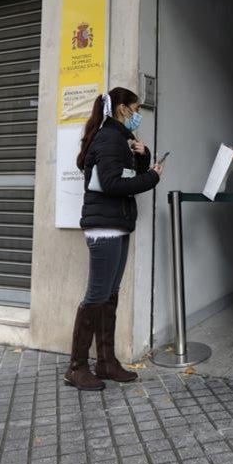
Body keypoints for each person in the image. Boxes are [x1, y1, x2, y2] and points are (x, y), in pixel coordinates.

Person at [70, 87, 163, 390]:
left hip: (116, 224)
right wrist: (153, 177)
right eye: (136, 109)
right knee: (96, 296)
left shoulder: (118, 138)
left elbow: (123, 175)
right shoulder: (109, 138)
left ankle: (106, 362)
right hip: (105, 227)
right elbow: (112, 184)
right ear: (122, 109)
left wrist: (144, 156)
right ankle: (77, 367)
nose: (138, 115)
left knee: (109, 295)